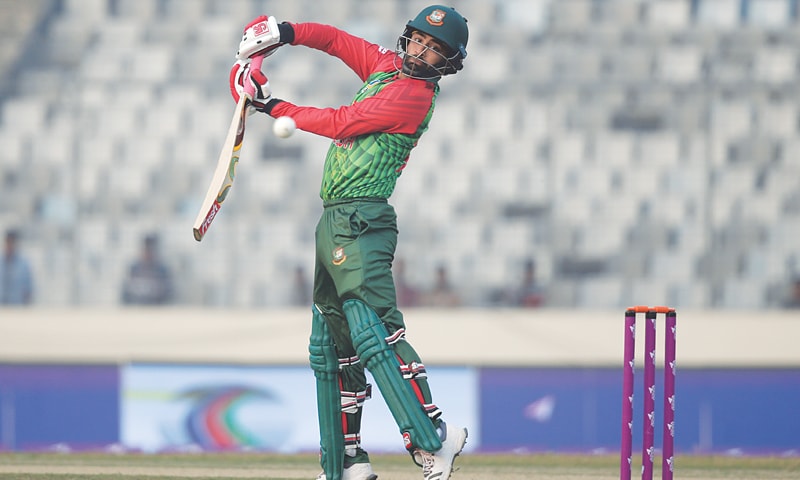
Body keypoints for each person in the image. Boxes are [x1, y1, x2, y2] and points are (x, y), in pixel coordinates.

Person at [230, 6, 469, 480]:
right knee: (330, 346)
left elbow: (342, 122)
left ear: (447, 62)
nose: (421, 51)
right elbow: (337, 41)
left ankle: (435, 439)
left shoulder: (415, 96)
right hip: (334, 218)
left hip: (364, 218)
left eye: (434, 49)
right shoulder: (385, 65)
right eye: (419, 40)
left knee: (374, 330)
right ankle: (346, 463)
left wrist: (272, 106)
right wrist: (286, 32)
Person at [121, 234, 174, 305]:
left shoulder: (162, 271)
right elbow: (126, 294)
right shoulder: (134, 269)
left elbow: (168, 294)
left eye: (151, 249)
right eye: (146, 249)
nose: (148, 252)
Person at [0, 229, 34, 305]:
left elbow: (29, 290)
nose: (10, 245)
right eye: (8, 242)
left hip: (17, 308)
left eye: (12, 242)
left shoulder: (23, 265)